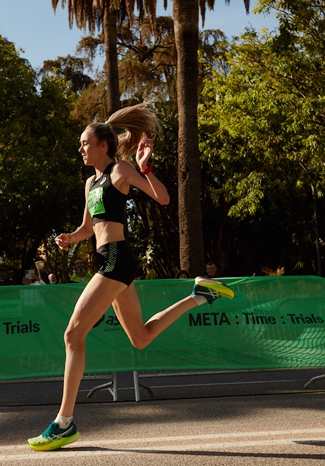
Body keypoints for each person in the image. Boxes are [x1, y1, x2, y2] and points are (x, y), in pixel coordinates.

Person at [27, 103, 235, 451]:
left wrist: (145, 168)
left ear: (103, 146)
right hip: (108, 260)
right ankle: (198, 295)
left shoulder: (120, 170)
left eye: (84, 143)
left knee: (73, 334)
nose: (80, 149)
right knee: (139, 338)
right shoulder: (91, 183)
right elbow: (88, 228)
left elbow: (164, 198)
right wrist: (70, 238)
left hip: (116, 261)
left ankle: (63, 422)